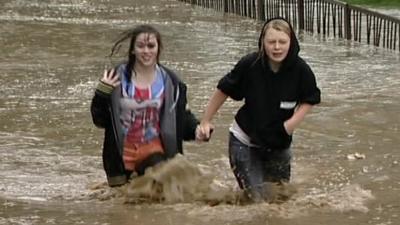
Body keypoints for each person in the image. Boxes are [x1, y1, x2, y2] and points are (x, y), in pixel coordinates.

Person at [198, 17, 321, 202]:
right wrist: (206, 121)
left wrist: (290, 124)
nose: (277, 47)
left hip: (279, 142)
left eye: (282, 42)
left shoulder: (301, 70)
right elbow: (223, 90)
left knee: (280, 199)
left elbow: (311, 98)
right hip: (244, 140)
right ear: (263, 43)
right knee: (256, 201)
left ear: (291, 42)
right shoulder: (249, 64)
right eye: (271, 42)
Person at [90, 24, 201, 187]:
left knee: (158, 200)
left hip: (155, 151)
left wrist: (196, 129)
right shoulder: (115, 79)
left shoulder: (172, 82)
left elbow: (180, 118)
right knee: (120, 207)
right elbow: (99, 120)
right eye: (140, 46)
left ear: (158, 49)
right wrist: (101, 93)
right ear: (133, 50)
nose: (146, 51)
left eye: (151, 46)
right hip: (119, 156)